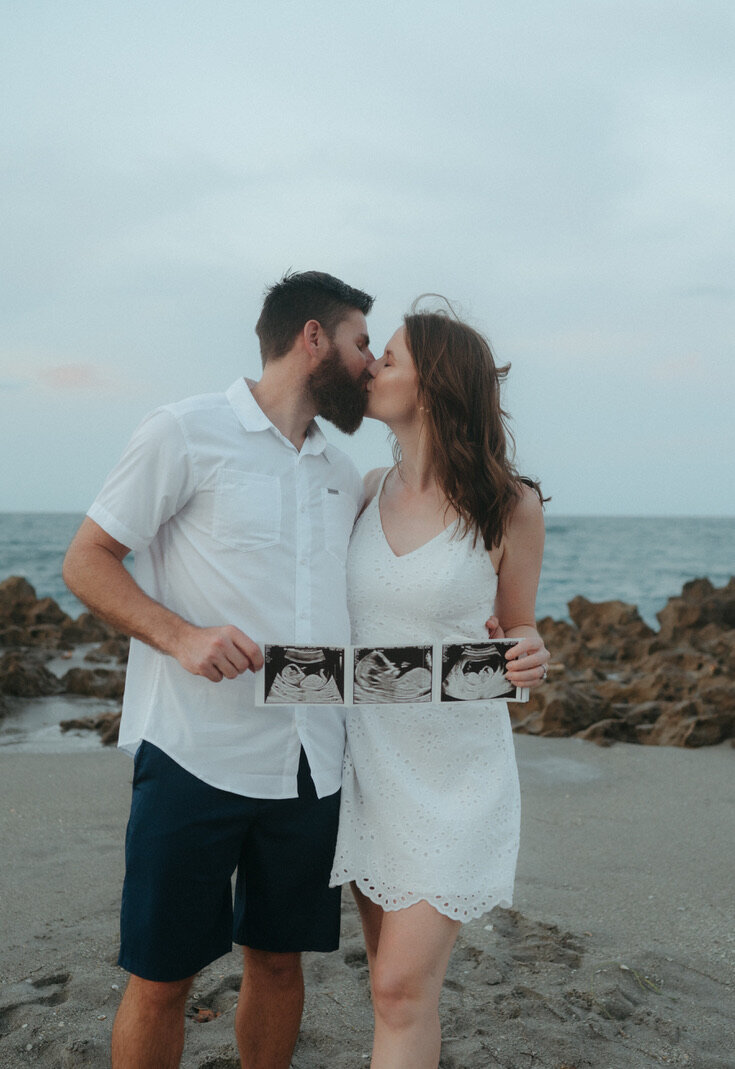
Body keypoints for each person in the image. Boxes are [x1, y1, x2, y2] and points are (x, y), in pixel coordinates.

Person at [62, 270, 375, 1069]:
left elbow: (372, 600)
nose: (369, 363)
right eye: (359, 342)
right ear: (313, 338)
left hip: (311, 763)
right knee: (163, 976)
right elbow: (87, 560)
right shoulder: (184, 430)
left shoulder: (342, 472)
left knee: (278, 962)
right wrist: (180, 635)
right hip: (195, 753)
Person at [329, 302, 550, 1069]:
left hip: (456, 775)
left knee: (396, 988)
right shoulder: (362, 489)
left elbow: (517, 625)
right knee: (393, 987)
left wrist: (529, 651)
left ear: (431, 385)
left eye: (387, 357)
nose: (370, 367)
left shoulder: (509, 504)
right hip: (370, 766)